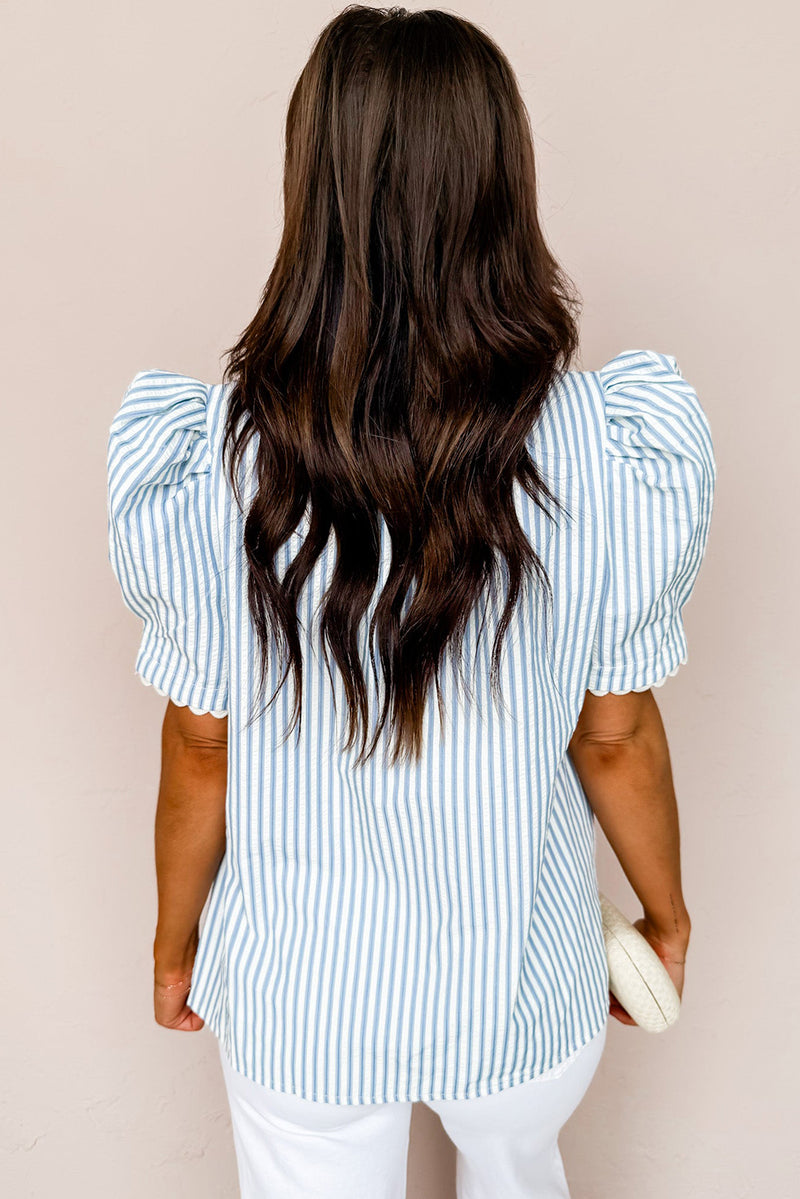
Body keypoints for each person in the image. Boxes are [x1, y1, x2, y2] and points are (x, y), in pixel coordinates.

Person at [105, 6, 716, 1197]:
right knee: (519, 1171)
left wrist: (176, 944)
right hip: (520, 982)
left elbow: (198, 743)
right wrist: (665, 913)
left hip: (298, 998)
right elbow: (615, 734)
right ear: (501, 182)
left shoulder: (212, 464)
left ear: (309, 189)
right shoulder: (609, 449)